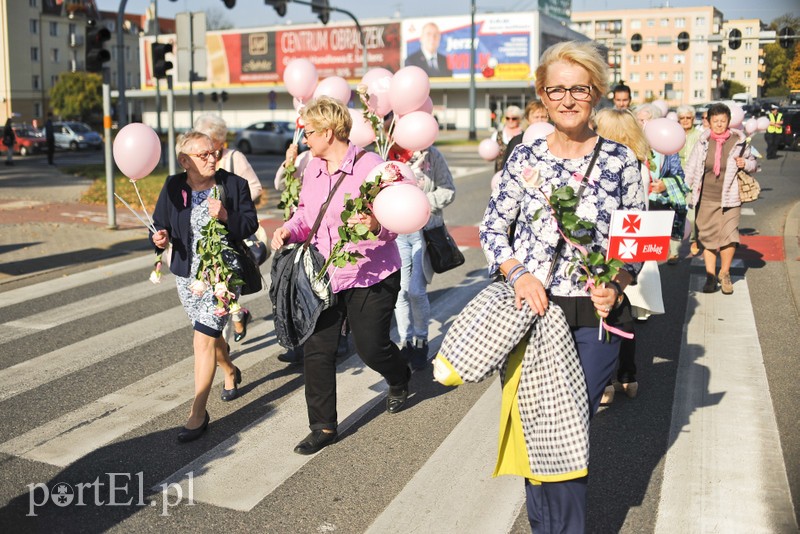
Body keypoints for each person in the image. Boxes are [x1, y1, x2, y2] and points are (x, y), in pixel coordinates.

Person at [479, 41, 645, 532]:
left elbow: (635, 245)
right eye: (557, 89)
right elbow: (492, 229)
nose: (568, 99)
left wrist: (617, 283)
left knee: (568, 430)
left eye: (579, 88)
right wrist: (519, 273)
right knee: (536, 429)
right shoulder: (524, 156)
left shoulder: (622, 162)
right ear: (543, 96)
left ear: (596, 93)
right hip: (532, 316)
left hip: (595, 320)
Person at [270, 96, 411, 455]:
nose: (304, 139)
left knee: (370, 347)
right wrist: (288, 230)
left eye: (310, 132)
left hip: (371, 273)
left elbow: (398, 221)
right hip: (326, 272)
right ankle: (323, 426)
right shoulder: (312, 168)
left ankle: (398, 377)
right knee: (316, 350)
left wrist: (376, 224)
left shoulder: (372, 166)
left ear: (329, 132)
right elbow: (305, 214)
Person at [151, 131, 258, 442]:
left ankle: (198, 413)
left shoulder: (232, 185)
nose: (213, 159)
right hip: (187, 276)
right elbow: (162, 223)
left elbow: (250, 224)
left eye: (215, 153)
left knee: (202, 340)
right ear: (185, 161)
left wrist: (225, 215)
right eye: (204, 155)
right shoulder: (173, 186)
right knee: (207, 336)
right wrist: (159, 238)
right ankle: (229, 371)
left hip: (223, 274)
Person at [594, 108, 655, 404]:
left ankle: (606, 379)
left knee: (602, 309)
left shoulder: (604, 160)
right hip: (630, 240)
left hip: (604, 241)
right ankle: (628, 375)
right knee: (620, 305)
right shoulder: (640, 162)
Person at [193, 114, 263, 344]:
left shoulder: (235, 158)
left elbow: (255, 188)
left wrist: (230, 207)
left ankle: (222, 350)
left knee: (222, 293)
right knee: (214, 296)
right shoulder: (196, 165)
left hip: (231, 238)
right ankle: (236, 317)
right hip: (206, 243)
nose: (205, 146)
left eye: (209, 140)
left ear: (219, 140)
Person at [387, 140, 456, 371]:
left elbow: (448, 190)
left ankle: (421, 340)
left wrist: (418, 203)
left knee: (416, 291)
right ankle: (405, 342)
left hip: (423, 233)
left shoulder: (431, 155)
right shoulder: (387, 154)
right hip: (396, 233)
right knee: (401, 292)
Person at [684, 102, 757, 295]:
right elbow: (691, 167)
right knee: (707, 238)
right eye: (715, 121)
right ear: (708, 121)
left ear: (729, 121)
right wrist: (683, 188)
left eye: (722, 121)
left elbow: (755, 163)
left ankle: (724, 273)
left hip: (731, 198)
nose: (718, 124)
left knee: (729, 236)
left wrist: (746, 164)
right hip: (706, 198)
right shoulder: (703, 142)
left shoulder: (739, 141)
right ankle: (710, 276)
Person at [677, 105, 702, 256]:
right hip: (676, 178)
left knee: (691, 216)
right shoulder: (674, 134)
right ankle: (673, 251)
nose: (685, 121)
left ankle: (694, 240)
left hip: (693, 179)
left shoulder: (699, 135)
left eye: (688, 118)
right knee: (676, 213)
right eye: (682, 118)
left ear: (693, 119)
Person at [502, 100, 549, 169]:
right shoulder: (517, 141)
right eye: (536, 117)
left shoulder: (556, 140)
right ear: (527, 119)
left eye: (543, 117)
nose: (540, 121)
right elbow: (508, 167)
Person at [491, 105, 523, 172]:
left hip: (519, 174)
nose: (510, 120)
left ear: (519, 119)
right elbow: (490, 154)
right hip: (500, 173)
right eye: (507, 118)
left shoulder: (523, 135)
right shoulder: (497, 135)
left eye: (514, 118)